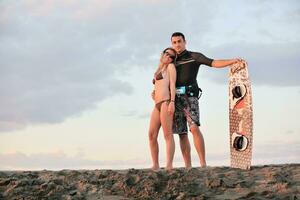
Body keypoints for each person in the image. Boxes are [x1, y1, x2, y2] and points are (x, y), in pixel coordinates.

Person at [170, 32, 244, 168]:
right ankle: (188, 166)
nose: (177, 45)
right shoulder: (170, 60)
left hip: (189, 97)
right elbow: (161, 78)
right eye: (174, 42)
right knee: (182, 133)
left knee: (193, 128)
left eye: (179, 41)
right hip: (174, 99)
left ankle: (203, 163)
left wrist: (232, 61)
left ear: (185, 42)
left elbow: (213, 63)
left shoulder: (194, 56)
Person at [148, 47, 177, 171]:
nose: (169, 58)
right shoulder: (159, 68)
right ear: (163, 54)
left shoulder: (170, 67)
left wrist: (172, 102)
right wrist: (153, 93)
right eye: (168, 54)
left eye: (172, 57)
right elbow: (158, 85)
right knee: (151, 134)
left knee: (167, 134)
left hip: (166, 102)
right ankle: (155, 164)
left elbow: (172, 85)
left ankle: (169, 164)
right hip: (157, 104)